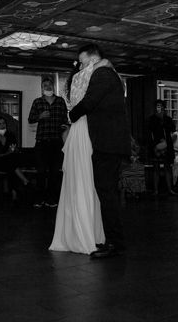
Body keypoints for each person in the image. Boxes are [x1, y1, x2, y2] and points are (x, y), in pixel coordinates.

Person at [68, 44, 130, 259]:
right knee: (106, 192)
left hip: (108, 143)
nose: (81, 66)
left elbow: (90, 101)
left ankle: (115, 243)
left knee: (107, 192)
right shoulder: (108, 73)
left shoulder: (102, 73)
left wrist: (71, 115)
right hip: (108, 143)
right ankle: (111, 240)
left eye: (83, 62)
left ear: (93, 59)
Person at [50, 56, 107, 255]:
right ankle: (88, 234)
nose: (86, 66)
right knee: (84, 181)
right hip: (83, 132)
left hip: (80, 131)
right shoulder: (84, 79)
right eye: (83, 64)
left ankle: (83, 232)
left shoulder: (76, 82)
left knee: (82, 182)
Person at [28, 77, 68, 208]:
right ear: (42, 88)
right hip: (42, 142)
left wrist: (65, 127)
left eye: (49, 84)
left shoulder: (60, 101)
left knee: (54, 172)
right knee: (40, 172)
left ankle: (51, 199)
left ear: (53, 86)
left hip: (56, 143)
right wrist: (40, 116)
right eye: (45, 85)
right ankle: (39, 199)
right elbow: (30, 119)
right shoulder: (37, 102)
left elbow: (64, 120)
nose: (47, 87)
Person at [0, 117, 30, 203]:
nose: (2, 125)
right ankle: (24, 182)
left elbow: (15, 150)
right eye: (0, 123)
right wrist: (7, 153)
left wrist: (14, 150)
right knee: (11, 163)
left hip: (8, 162)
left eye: (4, 123)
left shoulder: (11, 136)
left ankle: (14, 193)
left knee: (11, 164)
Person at [146, 99, 176, 195]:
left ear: (164, 107)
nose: (159, 107)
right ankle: (155, 190)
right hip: (155, 145)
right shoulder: (151, 119)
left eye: (160, 106)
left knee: (167, 167)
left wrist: (163, 118)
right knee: (156, 168)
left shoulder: (168, 119)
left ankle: (170, 189)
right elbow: (149, 132)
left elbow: (172, 129)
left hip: (167, 144)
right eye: (157, 106)